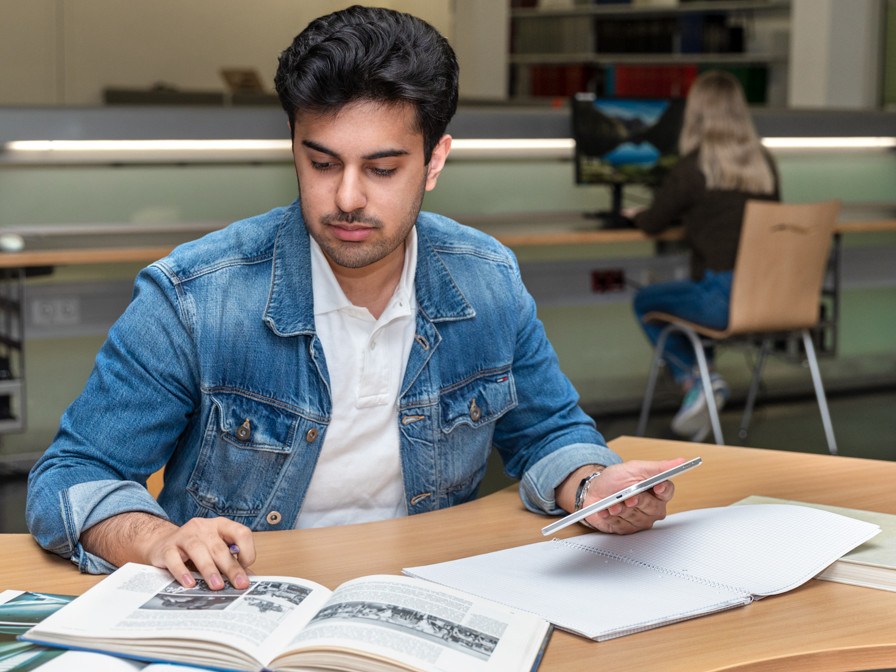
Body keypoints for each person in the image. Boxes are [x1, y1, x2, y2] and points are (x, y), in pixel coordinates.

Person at [27, 5, 685, 592]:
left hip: (418, 601)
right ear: (293, 149)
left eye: (381, 169)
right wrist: (157, 539)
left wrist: (595, 485)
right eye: (321, 163)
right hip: (240, 608)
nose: (347, 197)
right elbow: (71, 475)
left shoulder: (487, 280)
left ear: (434, 161)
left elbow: (547, 433)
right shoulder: (196, 296)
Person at [624, 70, 780, 442]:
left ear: (695, 115)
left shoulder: (693, 167)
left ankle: (698, 378)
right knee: (688, 299)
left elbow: (653, 222)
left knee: (645, 301)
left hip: (720, 300)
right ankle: (704, 380)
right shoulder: (765, 166)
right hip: (769, 297)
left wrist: (634, 215)